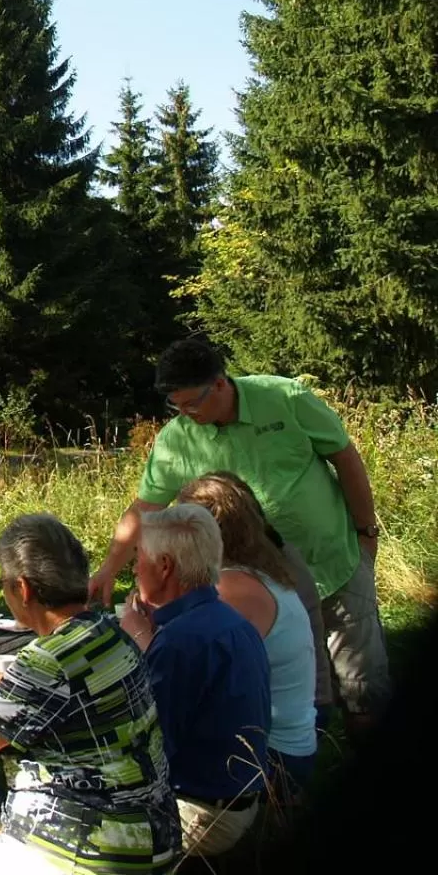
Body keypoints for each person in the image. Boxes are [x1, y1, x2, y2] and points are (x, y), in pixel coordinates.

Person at [88, 338, 390, 736]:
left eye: (192, 403)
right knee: (289, 684)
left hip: (330, 562)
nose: (185, 415)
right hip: (257, 583)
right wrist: (110, 567)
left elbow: (344, 457)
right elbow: (145, 508)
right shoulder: (176, 440)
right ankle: (300, 760)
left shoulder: (284, 398)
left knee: (360, 682)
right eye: (175, 407)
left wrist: (366, 529)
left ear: (219, 383)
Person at [0, 514, 179, 875]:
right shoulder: (108, 632)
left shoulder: (46, 659)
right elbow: (77, 692)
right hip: (154, 837)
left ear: (22, 589)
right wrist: (3, 679)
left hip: (97, 850)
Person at [118, 504, 270, 857]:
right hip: (239, 800)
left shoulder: (179, 642)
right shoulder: (228, 620)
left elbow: (145, 755)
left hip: (199, 814)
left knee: (64, 835)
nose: (133, 568)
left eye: (138, 557)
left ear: (165, 566)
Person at [174, 474, 320, 798]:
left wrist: (141, 633)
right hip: (284, 747)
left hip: (272, 762)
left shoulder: (233, 589)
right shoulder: (258, 569)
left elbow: (189, 673)